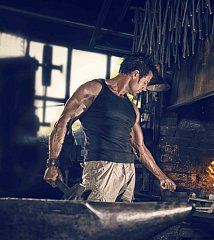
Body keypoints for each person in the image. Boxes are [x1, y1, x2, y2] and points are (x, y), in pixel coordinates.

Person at [44, 53, 176, 201]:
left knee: (121, 222)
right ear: (135, 74)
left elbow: (140, 148)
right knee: (95, 221)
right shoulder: (94, 89)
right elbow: (62, 123)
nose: (145, 88)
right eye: (145, 82)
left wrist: (162, 177)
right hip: (102, 168)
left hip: (128, 171)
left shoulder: (132, 108)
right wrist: (52, 163)